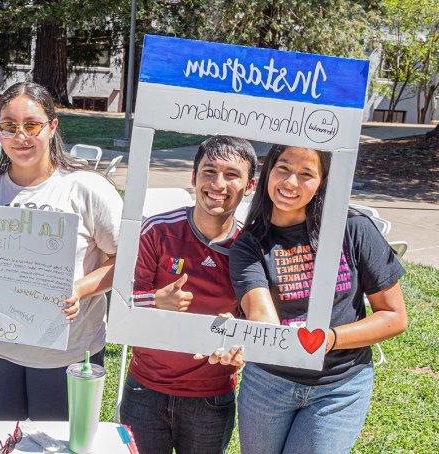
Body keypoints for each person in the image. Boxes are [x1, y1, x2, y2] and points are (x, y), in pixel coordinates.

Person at [229, 145, 408, 453]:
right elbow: (260, 311)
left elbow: (394, 316)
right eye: (283, 168)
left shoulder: (354, 229)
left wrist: (330, 338)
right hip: (268, 384)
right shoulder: (249, 244)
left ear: (323, 182)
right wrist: (253, 336)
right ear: (268, 172)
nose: (291, 182)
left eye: (306, 174)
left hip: (340, 386)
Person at [0, 81, 123, 421]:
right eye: (9, 127)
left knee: (57, 446)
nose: (20, 136)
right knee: (6, 440)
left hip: (66, 354)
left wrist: (78, 289)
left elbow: (127, 261)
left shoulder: (86, 188)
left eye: (32, 125)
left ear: (52, 127)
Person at [122, 136, 256, 453]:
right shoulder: (157, 231)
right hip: (145, 390)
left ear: (250, 186)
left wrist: (239, 332)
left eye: (232, 174)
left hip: (210, 397)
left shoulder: (250, 248)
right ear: (193, 177)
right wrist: (156, 301)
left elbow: (259, 325)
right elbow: (122, 303)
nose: (218, 184)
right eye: (209, 171)